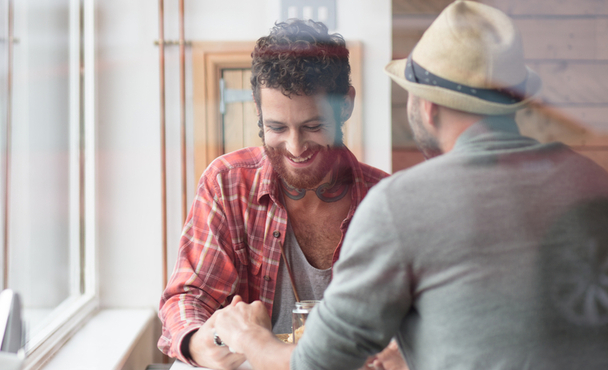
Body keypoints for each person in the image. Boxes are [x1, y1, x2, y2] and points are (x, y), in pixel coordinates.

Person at [212, 1, 608, 369]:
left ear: (428, 107)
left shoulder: (401, 204)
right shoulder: (590, 181)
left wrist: (249, 336)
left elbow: (315, 364)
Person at [157, 19, 396, 369]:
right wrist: (196, 342)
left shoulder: (388, 203)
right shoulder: (227, 184)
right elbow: (189, 296)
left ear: (345, 105)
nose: (296, 147)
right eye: (277, 127)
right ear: (257, 109)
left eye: (313, 126)